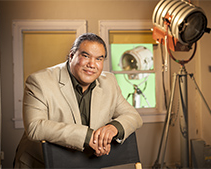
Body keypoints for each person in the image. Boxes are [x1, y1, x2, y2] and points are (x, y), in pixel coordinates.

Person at [13, 33, 143, 168]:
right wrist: (89, 137)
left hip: (83, 164)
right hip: (40, 164)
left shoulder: (109, 82)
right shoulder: (39, 81)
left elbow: (133, 116)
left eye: (99, 59)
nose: (92, 64)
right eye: (85, 56)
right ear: (71, 56)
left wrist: (112, 128)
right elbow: (35, 127)